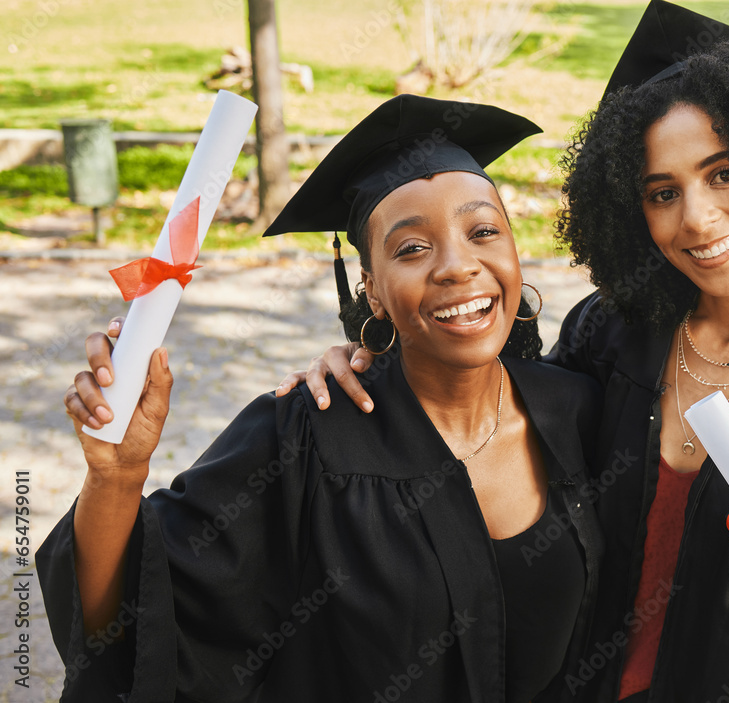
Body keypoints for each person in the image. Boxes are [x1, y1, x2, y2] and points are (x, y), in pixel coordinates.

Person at [282, 4, 729, 703]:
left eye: (725, 173)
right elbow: (496, 423)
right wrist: (376, 359)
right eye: (662, 192)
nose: (697, 218)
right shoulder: (608, 334)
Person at [39, 94, 605, 703]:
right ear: (373, 292)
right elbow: (120, 631)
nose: (457, 267)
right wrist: (117, 475)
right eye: (411, 248)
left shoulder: (576, 411)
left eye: (484, 231)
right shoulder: (304, 437)